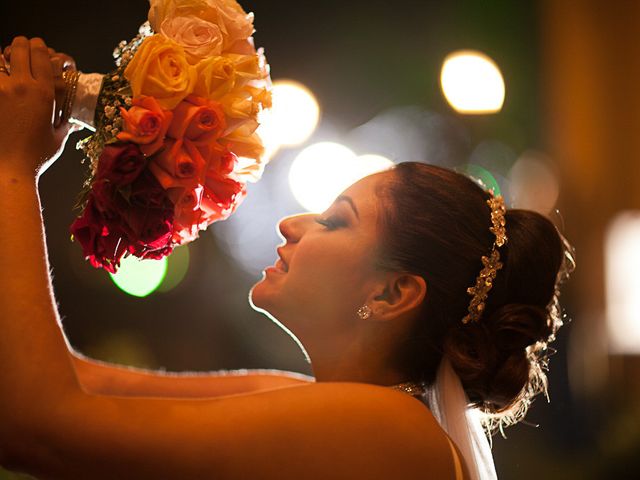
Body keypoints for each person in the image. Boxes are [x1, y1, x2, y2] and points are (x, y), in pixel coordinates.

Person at [0, 36, 573, 479]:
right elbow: (70, 382)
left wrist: (14, 167)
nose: (289, 223)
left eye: (333, 220)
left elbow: (39, 423)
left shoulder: (387, 427)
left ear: (391, 293)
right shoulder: (312, 401)